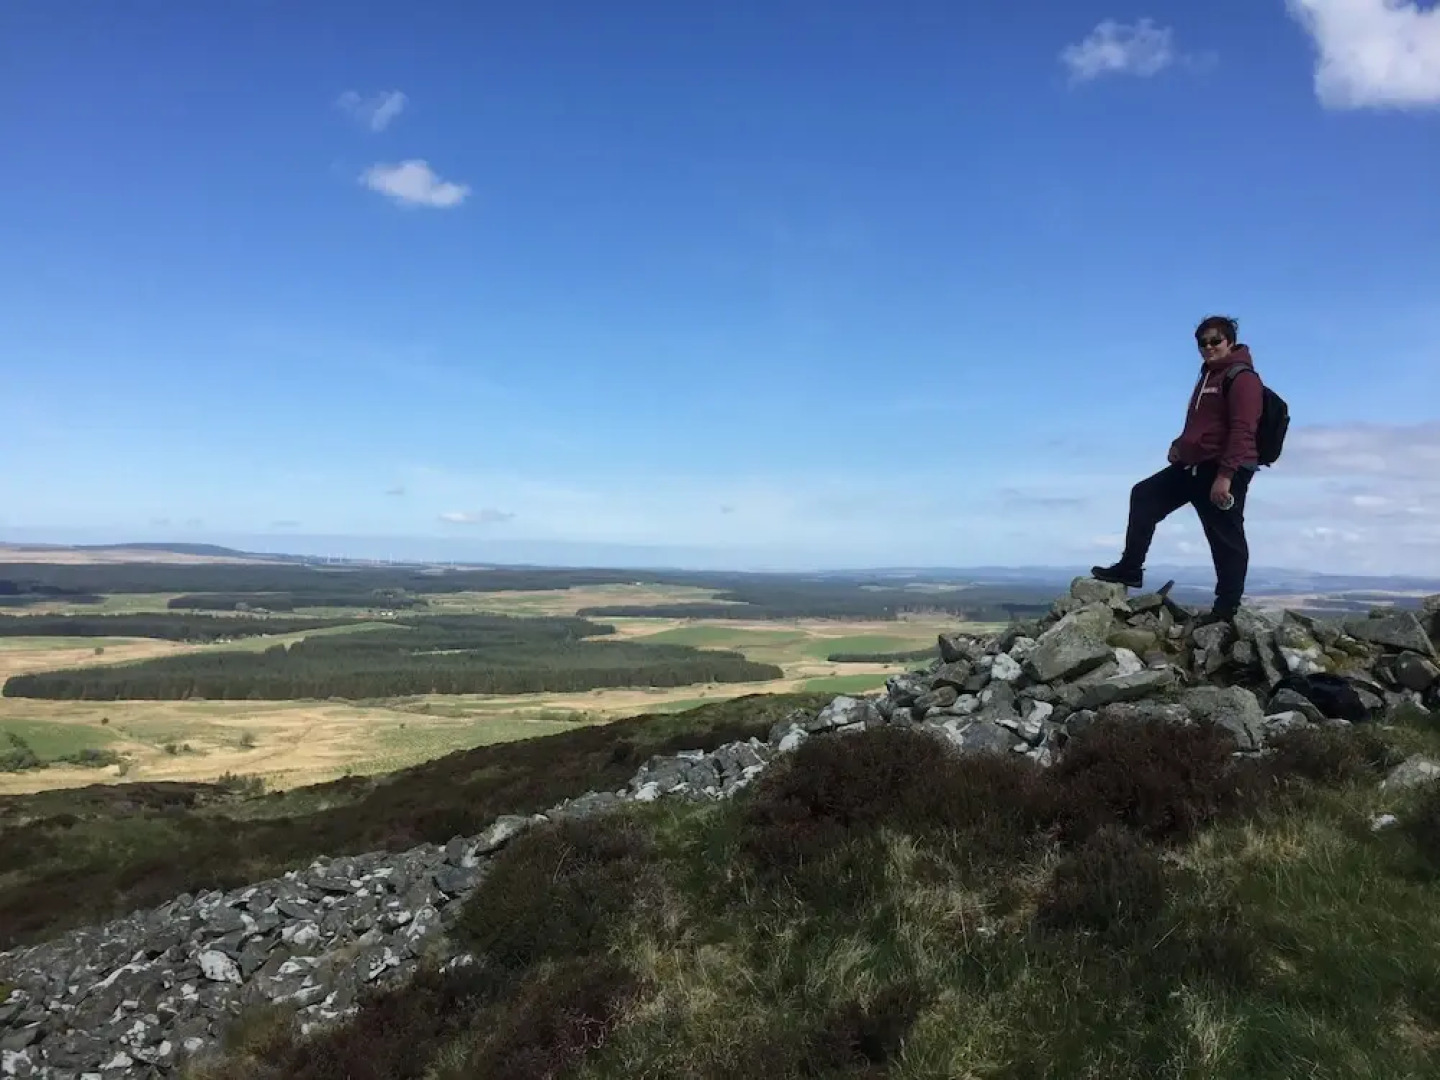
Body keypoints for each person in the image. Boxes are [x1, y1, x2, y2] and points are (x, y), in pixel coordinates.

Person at [1091, 315, 1263, 625]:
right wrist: (1180, 445)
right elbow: (1203, 425)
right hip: (1194, 465)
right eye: (1202, 343)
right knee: (1144, 495)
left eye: (1215, 341)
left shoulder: (1242, 378)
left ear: (1230, 342)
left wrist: (1225, 476)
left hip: (1224, 468)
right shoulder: (1208, 376)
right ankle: (1130, 568)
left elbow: (1243, 430)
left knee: (1225, 537)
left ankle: (1226, 610)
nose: (1208, 347)